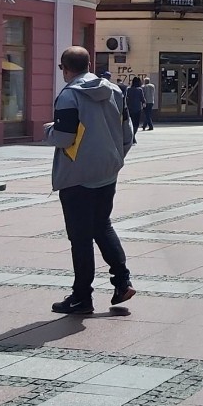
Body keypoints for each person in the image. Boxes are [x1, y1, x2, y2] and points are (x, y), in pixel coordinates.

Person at [45, 48, 136, 314]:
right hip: (107, 172)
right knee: (102, 225)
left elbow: (63, 137)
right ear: (89, 64)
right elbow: (127, 132)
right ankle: (122, 282)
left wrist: (48, 131)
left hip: (77, 176)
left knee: (80, 238)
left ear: (65, 68)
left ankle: (82, 296)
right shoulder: (115, 91)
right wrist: (115, 157)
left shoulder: (69, 95)